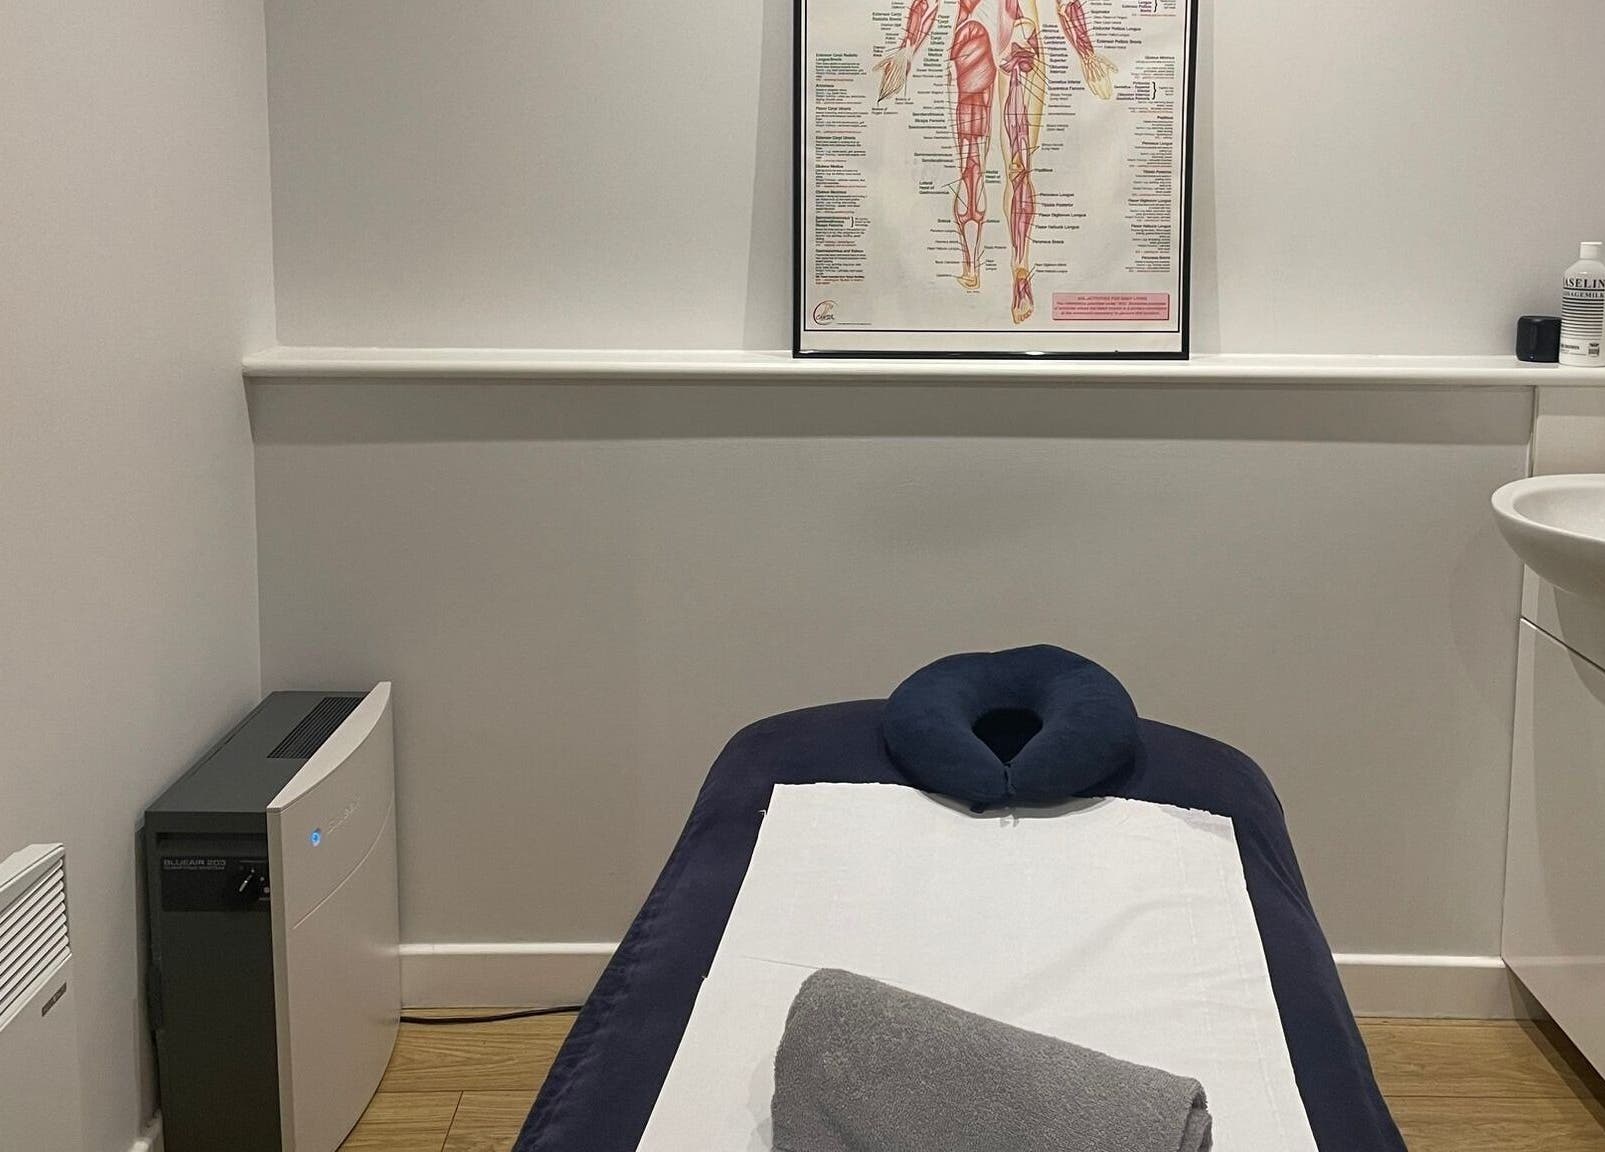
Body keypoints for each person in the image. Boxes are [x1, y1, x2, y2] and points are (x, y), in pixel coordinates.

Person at [873, 0, 1116, 323]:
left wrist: (909, 46)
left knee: (979, 166)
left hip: (977, 33)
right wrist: (1085, 51)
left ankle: (976, 268)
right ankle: (1017, 272)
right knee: (1015, 166)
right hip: (1018, 36)